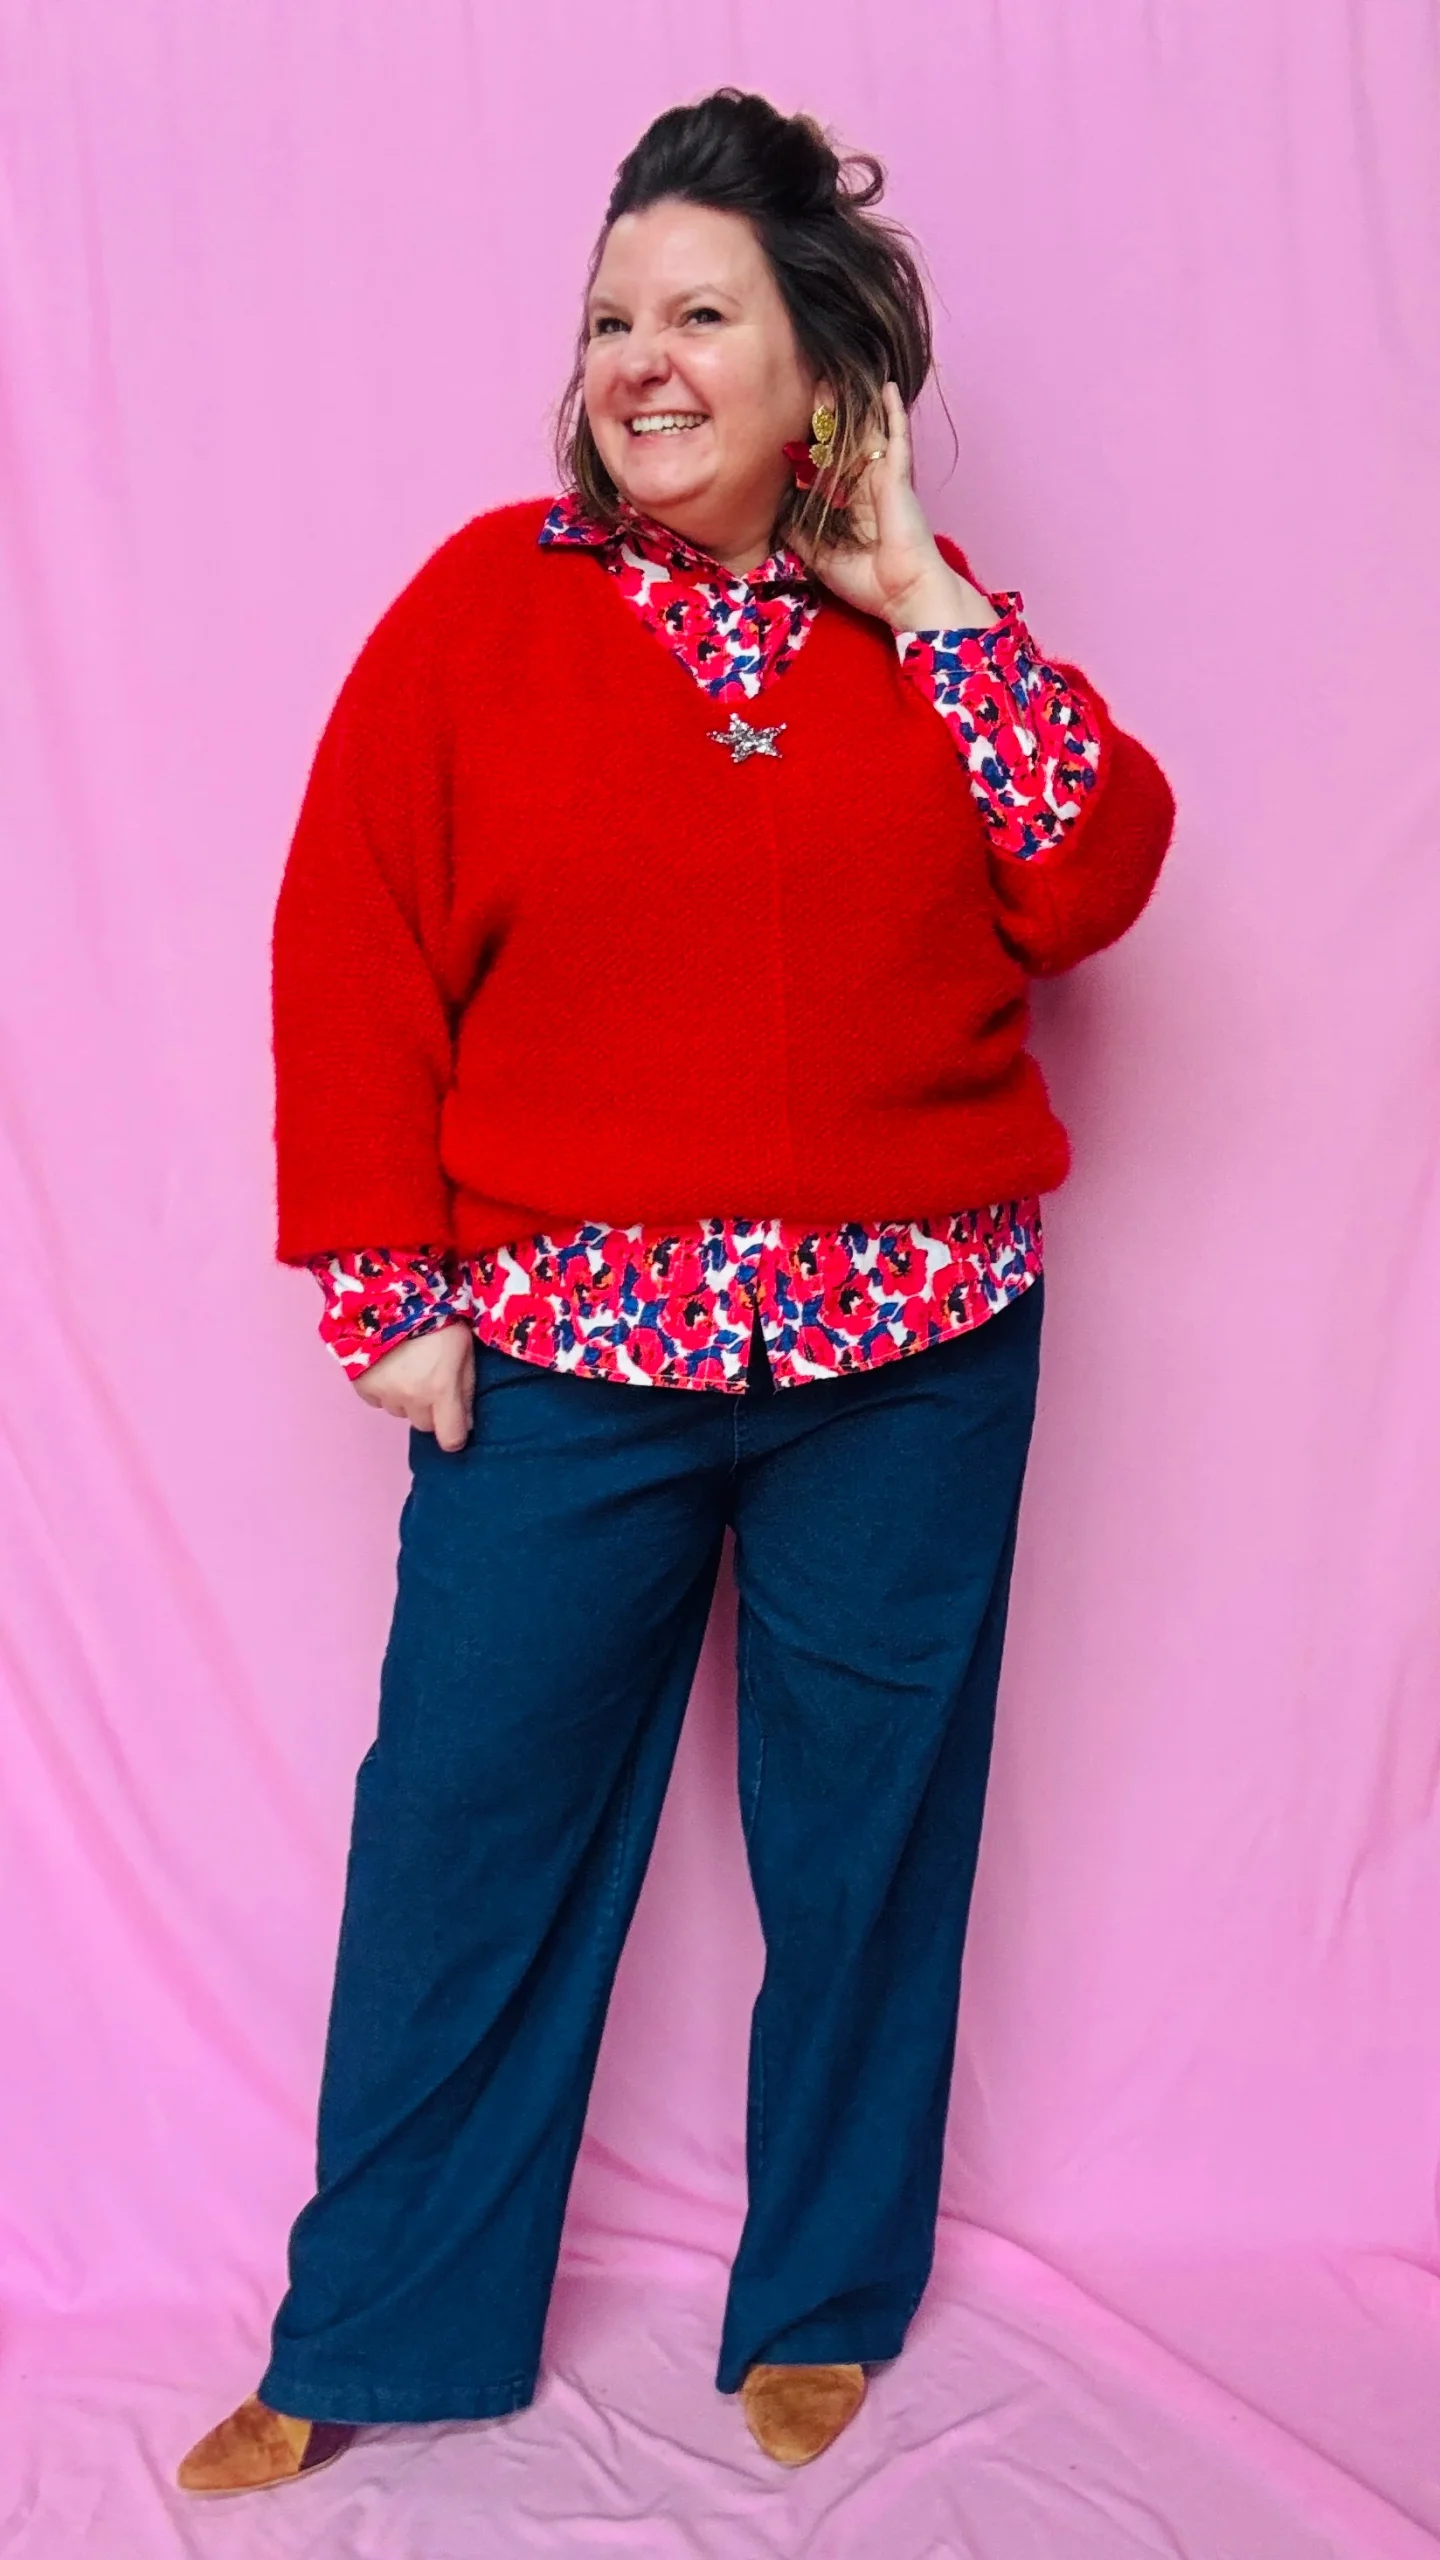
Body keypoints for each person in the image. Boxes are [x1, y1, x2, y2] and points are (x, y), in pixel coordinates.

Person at [177, 87, 1174, 2495]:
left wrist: (927, 598)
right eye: (613, 313)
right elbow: (350, 939)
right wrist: (385, 1284)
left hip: (911, 1361)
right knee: (462, 1828)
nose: (639, 355)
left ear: (823, 368)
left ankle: (821, 2290)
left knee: (867, 1837)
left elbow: (1095, 880)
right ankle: (378, 2321)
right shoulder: (478, 610)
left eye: (700, 311)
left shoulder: (934, 634)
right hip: (567, 1362)